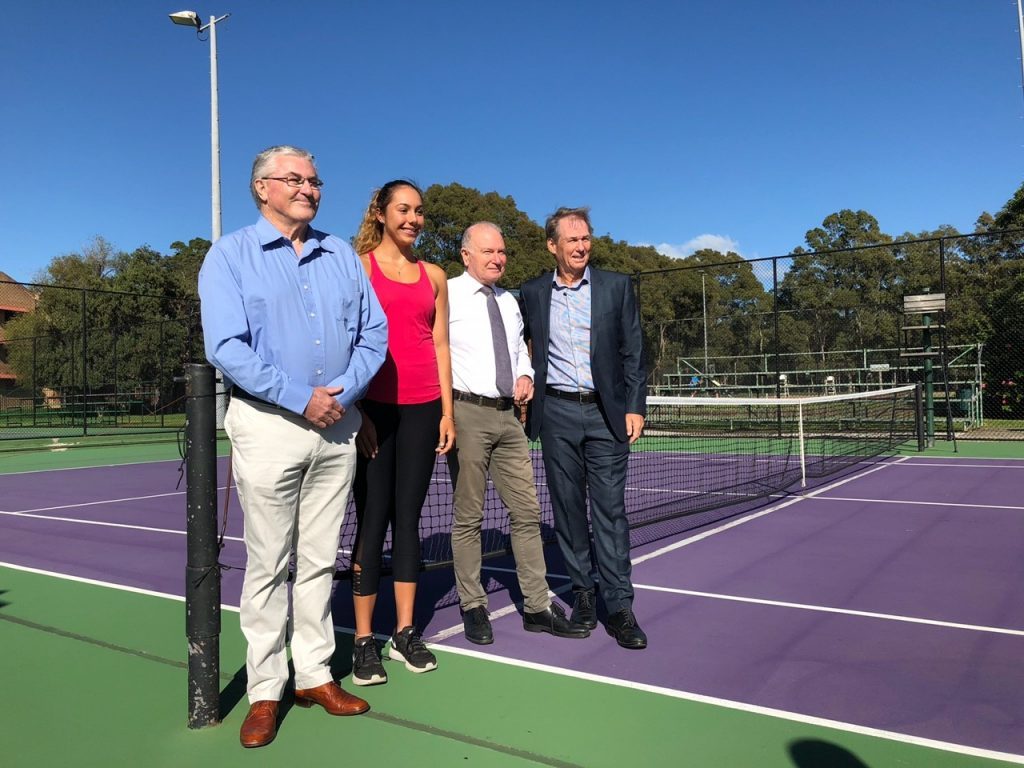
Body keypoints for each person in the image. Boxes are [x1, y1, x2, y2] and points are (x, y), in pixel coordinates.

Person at [199, 145, 388, 748]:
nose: (310, 187)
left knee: (317, 560)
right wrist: (300, 397)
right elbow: (226, 347)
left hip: (338, 425)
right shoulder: (229, 256)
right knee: (267, 564)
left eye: (315, 179)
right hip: (269, 425)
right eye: (296, 179)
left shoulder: (342, 256)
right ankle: (264, 691)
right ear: (262, 188)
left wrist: (343, 392)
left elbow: (373, 334)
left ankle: (312, 675)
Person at [447, 222, 588, 645]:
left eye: (502, 252)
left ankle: (536, 606)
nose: (497, 258)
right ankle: (473, 605)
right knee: (468, 517)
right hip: (466, 412)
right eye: (488, 251)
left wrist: (526, 375)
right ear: (466, 255)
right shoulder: (447, 294)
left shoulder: (510, 301)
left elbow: (518, 351)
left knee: (527, 513)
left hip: (510, 418)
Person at [520, 206, 649, 650]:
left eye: (585, 239)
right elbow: (520, 347)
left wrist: (635, 406)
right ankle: (584, 594)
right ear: (552, 246)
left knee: (611, 512)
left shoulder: (617, 287)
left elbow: (634, 351)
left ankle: (620, 607)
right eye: (571, 240)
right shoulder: (532, 292)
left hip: (606, 415)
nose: (580, 246)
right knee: (569, 512)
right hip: (554, 413)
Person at [348, 180, 455, 686]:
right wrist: (357, 410)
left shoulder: (434, 275)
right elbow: (345, 342)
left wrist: (447, 413)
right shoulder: (357, 267)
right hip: (372, 410)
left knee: (408, 521)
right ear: (382, 213)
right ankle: (363, 639)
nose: (413, 218)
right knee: (371, 520)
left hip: (423, 409)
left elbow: (440, 345)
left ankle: (405, 632)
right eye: (403, 209)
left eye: (419, 211)